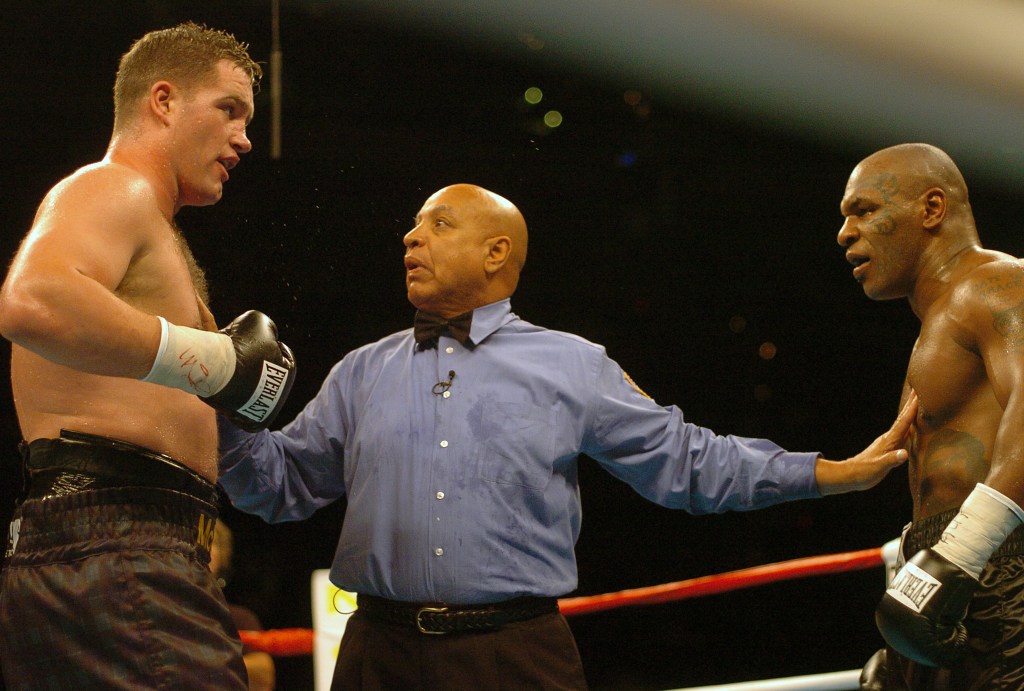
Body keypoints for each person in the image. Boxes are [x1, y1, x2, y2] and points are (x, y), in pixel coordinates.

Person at [219, 182, 916, 690]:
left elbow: (688, 463)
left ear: (497, 252)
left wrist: (829, 472)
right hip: (378, 654)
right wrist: (225, 403)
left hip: (513, 652)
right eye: (413, 226)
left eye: (438, 224)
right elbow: (278, 488)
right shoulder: (362, 370)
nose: (411, 237)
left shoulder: (572, 364)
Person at [0, 22, 296, 689]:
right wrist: (215, 361)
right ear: (162, 101)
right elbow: (33, 300)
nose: (244, 137)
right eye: (229, 110)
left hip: (112, 544)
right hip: (122, 541)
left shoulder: (151, 234)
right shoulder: (113, 189)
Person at [838, 143, 1024, 690]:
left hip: (995, 567)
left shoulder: (998, 285)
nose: (845, 233)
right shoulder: (941, 321)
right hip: (961, 576)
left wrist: (959, 554)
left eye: (864, 210)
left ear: (932, 208)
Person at [211, 522, 277, 691]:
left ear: (223, 555)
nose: (202, 549)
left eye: (211, 541)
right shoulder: (158, 606)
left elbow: (263, 676)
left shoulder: (238, 617)